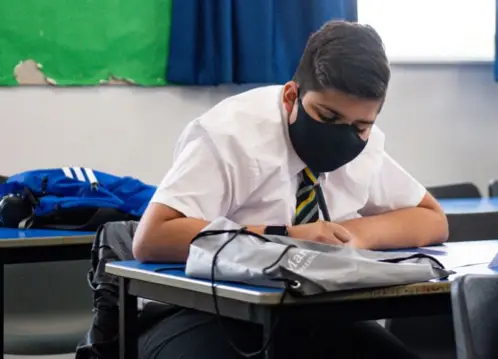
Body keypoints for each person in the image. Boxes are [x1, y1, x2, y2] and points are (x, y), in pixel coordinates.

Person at [133, 20, 448, 359]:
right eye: (327, 117)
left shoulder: (366, 148)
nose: (344, 135)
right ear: (290, 97)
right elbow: (152, 238)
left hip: (312, 314)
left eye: (360, 126)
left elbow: (432, 219)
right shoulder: (231, 135)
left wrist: (353, 236)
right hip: (202, 312)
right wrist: (288, 238)